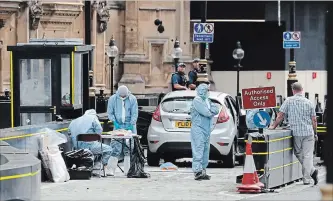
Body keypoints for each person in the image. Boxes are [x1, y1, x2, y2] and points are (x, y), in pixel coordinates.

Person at [269, 82, 319, 185]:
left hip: (296, 133)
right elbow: (314, 120)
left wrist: (273, 126)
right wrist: (315, 133)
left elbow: (280, 115)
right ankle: (311, 173)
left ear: (293, 90)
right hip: (308, 133)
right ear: (302, 90)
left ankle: (309, 176)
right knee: (308, 156)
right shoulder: (309, 102)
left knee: (298, 153)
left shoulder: (288, 101)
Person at [107, 85, 138, 176]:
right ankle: (111, 170)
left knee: (129, 147)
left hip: (130, 126)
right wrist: (115, 122)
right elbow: (110, 112)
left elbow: (134, 113)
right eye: (122, 96)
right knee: (115, 147)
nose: (123, 97)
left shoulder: (132, 99)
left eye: (125, 96)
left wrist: (131, 125)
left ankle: (128, 170)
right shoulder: (113, 99)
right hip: (118, 125)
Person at [68, 109, 113, 173]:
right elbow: (99, 131)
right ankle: (99, 166)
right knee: (109, 149)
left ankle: (90, 165)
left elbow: (69, 133)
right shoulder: (93, 118)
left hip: (76, 148)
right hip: (89, 145)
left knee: (97, 148)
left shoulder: (74, 121)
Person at [190, 83, 219, 180]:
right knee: (198, 149)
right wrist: (210, 111)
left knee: (206, 150)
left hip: (206, 129)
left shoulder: (207, 100)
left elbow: (216, 109)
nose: (208, 92)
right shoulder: (197, 100)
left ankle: (203, 170)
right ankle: (197, 171)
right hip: (198, 128)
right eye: (207, 90)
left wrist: (210, 110)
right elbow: (205, 112)